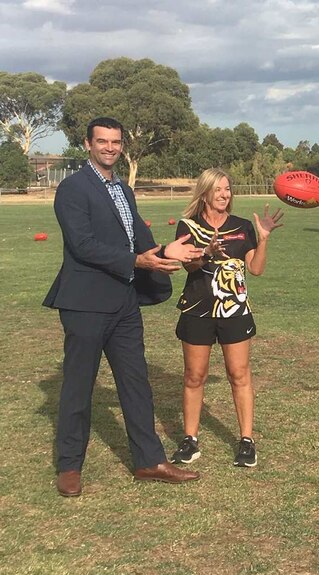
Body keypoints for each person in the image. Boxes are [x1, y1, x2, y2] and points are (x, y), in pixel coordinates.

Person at [44, 117, 203, 497]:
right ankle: (69, 465)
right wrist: (137, 262)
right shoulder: (72, 188)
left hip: (124, 303)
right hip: (84, 303)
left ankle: (149, 461)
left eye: (116, 142)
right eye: (103, 141)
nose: (110, 148)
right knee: (78, 388)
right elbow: (83, 246)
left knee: (136, 384)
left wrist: (170, 253)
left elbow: (140, 240)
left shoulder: (123, 190)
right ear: (87, 144)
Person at [171, 168, 283, 468]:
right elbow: (190, 269)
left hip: (235, 312)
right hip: (198, 311)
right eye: (218, 189)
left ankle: (246, 440)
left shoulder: (243, 226)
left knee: (239, 374)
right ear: (205, 192)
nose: (224, 195)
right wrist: (205, 253)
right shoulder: (188, 227)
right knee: (194, 377)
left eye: (228, 189)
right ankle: (190, 439)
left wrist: (263, 239)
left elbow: (256, 269)